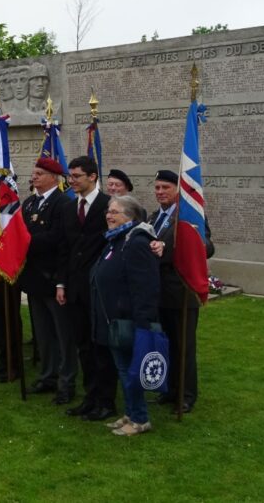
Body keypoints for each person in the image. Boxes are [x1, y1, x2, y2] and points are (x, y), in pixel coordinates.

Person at [91, 195, 161, 436]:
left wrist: (143, 323)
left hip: (130, 320)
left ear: (130, 217)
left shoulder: (136, 242)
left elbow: (145, 286)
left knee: (131, 371)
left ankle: (140, 419)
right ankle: (131, 413)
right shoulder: (116, 239)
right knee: (123, 370)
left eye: (115, 212)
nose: (109, 215)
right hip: (113, 320)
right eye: (108, 211)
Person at [148, 169, 214, 414]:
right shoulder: (156, 216)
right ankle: (169, 389)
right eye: (157, 188)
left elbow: (206, 246)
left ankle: (186, 394)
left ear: (177, 190)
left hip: (181, 293)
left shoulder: (189, 215)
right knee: (165, 345)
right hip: (158, 292)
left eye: (165, 187)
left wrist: (173, 245)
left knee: (183, 346)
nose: (160, 192)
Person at [58, 155, 117, 423]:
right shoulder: (70, 208)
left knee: (101, 347)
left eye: (77, 176)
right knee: (83, 345)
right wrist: (61, 283)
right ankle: (89, 397)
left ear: (92, 177)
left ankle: (106, 401)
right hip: (75, 288)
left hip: (101, 289)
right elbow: (65, 248)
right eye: (70, 176)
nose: (72, 181)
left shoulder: (109, 206)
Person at [17, 157, 71, 400]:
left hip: (53, 279)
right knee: (43, 334)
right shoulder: (29, 203)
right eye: (34, 172)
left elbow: (60, 241)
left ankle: (65, 382)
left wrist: (26, 241)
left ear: (53, 177)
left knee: (62, 335)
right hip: (34, 279)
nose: (34, 177)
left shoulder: (62, 203)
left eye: (39, 173)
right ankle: (47, 376)